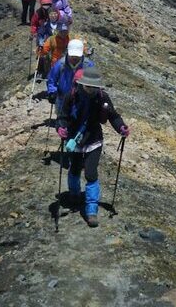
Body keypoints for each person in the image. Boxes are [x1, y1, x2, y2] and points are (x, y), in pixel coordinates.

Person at [57, 66, 129, 227]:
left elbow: (113, 116)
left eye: (94, 87)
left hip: (94, 140)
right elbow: (62, 117)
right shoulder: (71, 96)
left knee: (91, 173)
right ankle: (74, 194)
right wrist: (60, 128)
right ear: (82, 84)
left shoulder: (103, 98)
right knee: (75, 168)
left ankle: (91, 210)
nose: (91, 89)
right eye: (88, 86)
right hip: (74, 139)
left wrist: (121, 127)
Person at [47, 39, 93, 120]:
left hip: (81, 101)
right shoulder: (60, 64)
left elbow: (94, 83)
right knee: (62, 122)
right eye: (72, 56)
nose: (74, 58)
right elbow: (51, 79)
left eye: (77, 56)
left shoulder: (88, 65)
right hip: (62, 100)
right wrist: (52, 92)